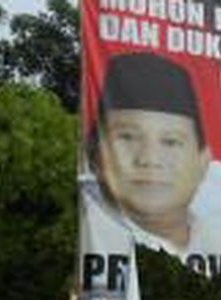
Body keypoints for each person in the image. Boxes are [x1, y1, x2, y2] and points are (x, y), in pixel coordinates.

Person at [87, 52, 210, 253]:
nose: (149, 160)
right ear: (94, 154)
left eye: (171, 142)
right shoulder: (78, 233)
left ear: (203, 162)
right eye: (127, 137)